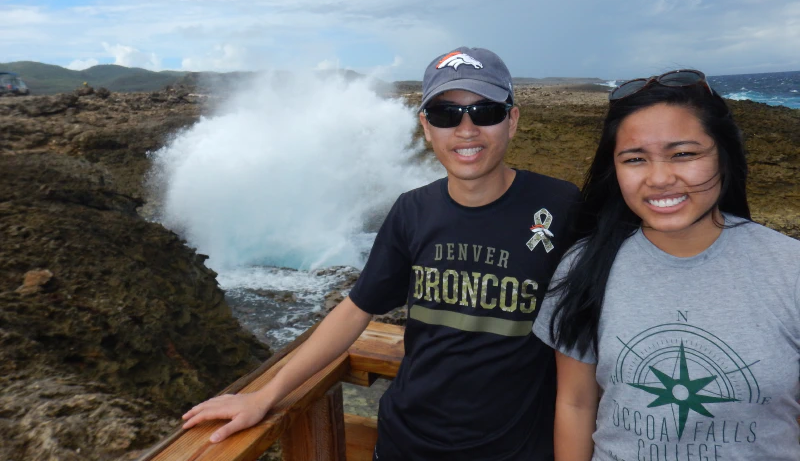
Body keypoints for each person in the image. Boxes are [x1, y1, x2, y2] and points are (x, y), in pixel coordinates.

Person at [182, 47, 580, 460]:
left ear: (512, 121)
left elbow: (600, 324)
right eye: (446, 114)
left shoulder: (561, 206)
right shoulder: (412, 211)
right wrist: (267, 394)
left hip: (518, 450)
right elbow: (357, 308)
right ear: (426, 127)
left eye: (485, 112)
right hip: (406, 445)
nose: (466, 129)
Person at [532, 70, 800, 461]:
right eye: (635, 159)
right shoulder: (584, 266)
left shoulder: (788, 268)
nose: (659, 179)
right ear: (615, 169)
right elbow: (575, 404)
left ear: (723, 156)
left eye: (684, 154)